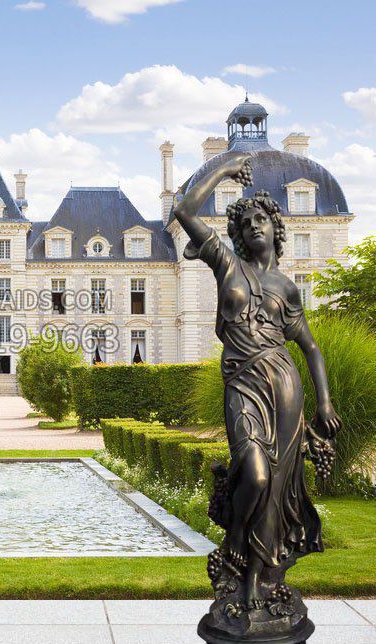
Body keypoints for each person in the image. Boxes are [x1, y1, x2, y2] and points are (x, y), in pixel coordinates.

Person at [173, 154, 341, 609]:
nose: (253, 226)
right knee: (255, 472)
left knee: (277, 486)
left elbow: (310, 347)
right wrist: (224, 169)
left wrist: (324, 403)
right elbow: (184, 210)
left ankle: (257, 578)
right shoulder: (226, 263)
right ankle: (235, 539)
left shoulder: (286, 287)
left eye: (261, 219)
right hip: (243, 384)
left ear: (275, 227)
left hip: (284, 385)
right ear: (237, 234)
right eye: (245, 222)